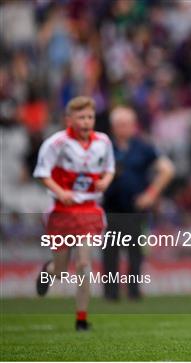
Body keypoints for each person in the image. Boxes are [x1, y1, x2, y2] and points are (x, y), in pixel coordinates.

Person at [34, 96, 115, 331]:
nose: (86, 121)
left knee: (83, 264)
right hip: (63, 211)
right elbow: (42, 173)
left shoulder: (103, 141)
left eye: (89, 117)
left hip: (88, 208)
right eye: (81, 117)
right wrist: (60, 192)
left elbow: (109, 168)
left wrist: (105, 182)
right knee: (60, 271)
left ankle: (81, 318)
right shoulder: (56, 143)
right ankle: (49, 270)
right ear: (69, 119)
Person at [102, 106, 174, 301]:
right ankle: (110, 293)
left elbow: (167, 169)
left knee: (136, 251)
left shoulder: (143, 147)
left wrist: (151, 194)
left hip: (135, 208)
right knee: (110, 251)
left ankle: (134, 290)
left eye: (126, 124)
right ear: (113, 126)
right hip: (110, 207)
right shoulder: (104, 147)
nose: (123, 128)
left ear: (133, 126)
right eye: (119, 124)